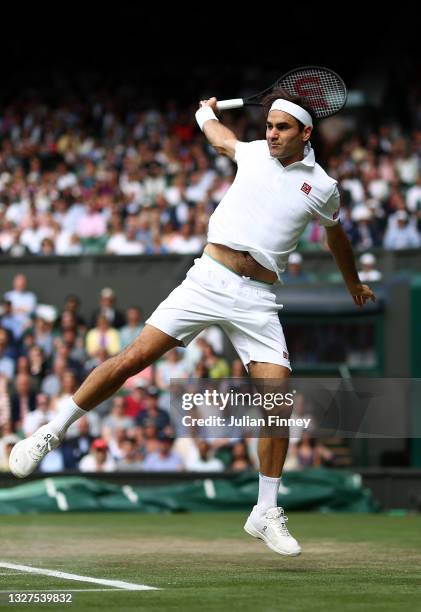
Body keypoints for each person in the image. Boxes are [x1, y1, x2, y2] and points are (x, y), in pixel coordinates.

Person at [9, 88, 376, 557]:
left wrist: (354, 282)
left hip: (259, 300)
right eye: (269, 126)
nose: (273, 134)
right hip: (208, 279)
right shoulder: (254, 152)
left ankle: (265, 511)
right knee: (132, 359)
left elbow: (336, 237)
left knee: (278, 400)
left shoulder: (323, 186)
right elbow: (222, 138)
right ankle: (49, 432)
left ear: (306, 132)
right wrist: (205, 114)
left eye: (282, 128)